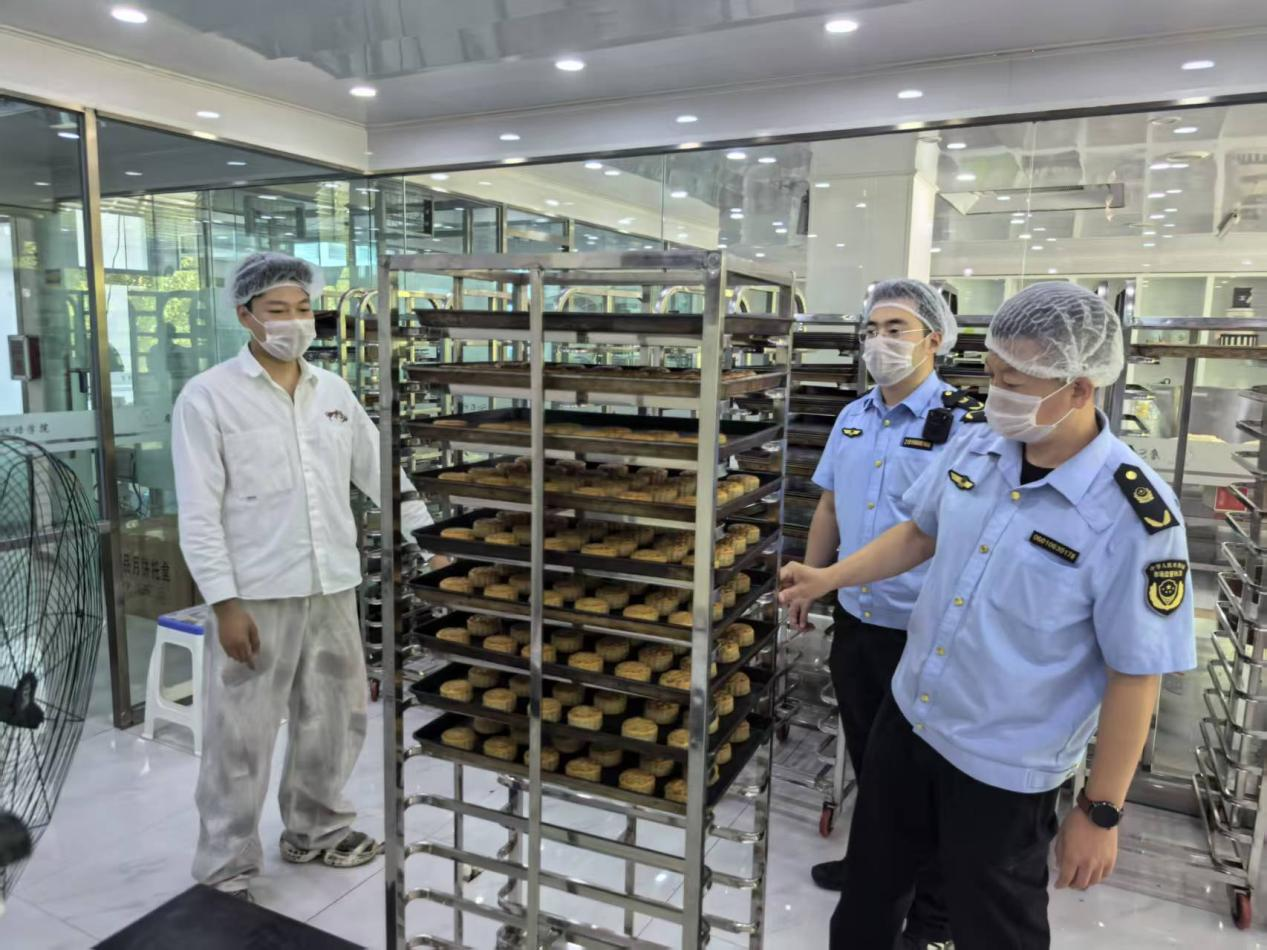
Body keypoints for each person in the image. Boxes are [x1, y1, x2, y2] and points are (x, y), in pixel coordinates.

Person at [779, 282, 1195, 949]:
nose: (994, 392)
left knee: (992, 925)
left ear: (1079, 389)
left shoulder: (1133, 516)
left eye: (1013, 382)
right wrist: (829, 576)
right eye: (993, 373)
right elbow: (919, 533)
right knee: (867, 899)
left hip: (1004, 765)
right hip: (909, 721)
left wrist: (1100, 810)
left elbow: (1136, 672)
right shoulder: (977, 448)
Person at [172, 251, 434, 901]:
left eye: (302, 308)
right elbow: (198, 512)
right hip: (257, 592)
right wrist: (224, 603)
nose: (293, 321)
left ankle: (316, 828)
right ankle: (225, 862)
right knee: (242, 733)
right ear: (246, 316)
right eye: (277, 310)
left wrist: (430, 538)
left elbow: (378, 472)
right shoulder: (208, 396)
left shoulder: (332, 392)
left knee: (335, 716)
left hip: (333, 582)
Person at [785, 279, 973, 950]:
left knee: (927, 773)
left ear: (934, 339)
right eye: (871, 329)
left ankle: (934, 906)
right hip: (857, 619)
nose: (879, 341)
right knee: (868, 753)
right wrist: (810, 583)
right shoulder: (853, 416)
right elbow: (831, 505)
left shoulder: (964, 425)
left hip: (922, 631)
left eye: (895, 328)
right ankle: (873, 866)